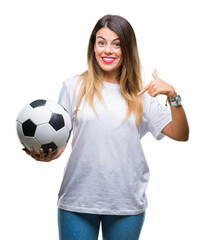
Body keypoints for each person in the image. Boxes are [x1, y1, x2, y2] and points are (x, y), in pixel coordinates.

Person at [23, 15, 189, 240]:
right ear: (93, 47)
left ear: (127, 48)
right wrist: (49, 155)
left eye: (117, 43)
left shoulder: (140, 92)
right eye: (101, 42)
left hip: (126, 203)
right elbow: (61, 142)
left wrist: (172, 96)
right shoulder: (73, 87)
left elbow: (181, 134)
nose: (107, 50)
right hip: (77, 201)